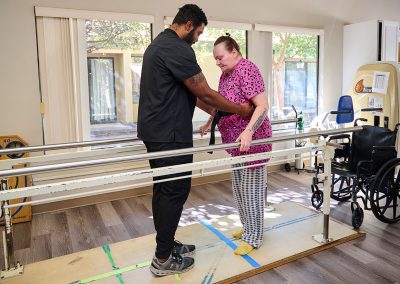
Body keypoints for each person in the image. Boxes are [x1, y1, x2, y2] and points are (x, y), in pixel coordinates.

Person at [137, 5, 253, 276]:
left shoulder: (158, 45)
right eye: (199, 32)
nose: (198, 38)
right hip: (169, 134)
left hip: (156, 131)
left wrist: (216, 113)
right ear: (189, 25)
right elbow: (206, 92)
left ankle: (165, 245)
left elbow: (194, 96)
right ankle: (162, 259)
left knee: (163, 189)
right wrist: (240, 109)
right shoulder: (177, 48)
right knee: (174, 191)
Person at [200, 34, 272, 255]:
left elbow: (262, 106)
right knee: (240, 190)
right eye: (215, 59)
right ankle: (248, 227)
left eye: (220, 57)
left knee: (252, 192)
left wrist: (249, 131)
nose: (218, 62)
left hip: (253, 143)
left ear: (234, 51)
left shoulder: (247, 69)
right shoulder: (226, 75)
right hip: (235, 144)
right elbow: (225, 106)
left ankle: (254, 237)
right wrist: (209, 122)